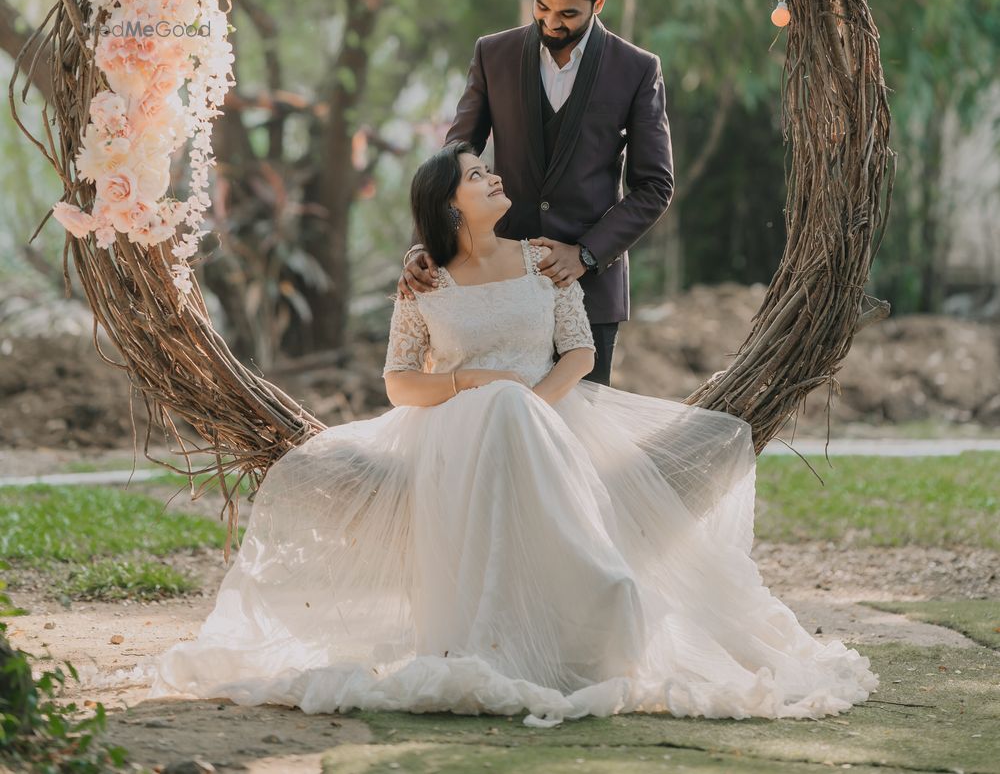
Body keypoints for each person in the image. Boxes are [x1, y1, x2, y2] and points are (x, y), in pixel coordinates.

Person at [141, 143, 877, 726]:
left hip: (549, 414)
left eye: (488, 169)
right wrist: (476, 384)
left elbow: (580, 351)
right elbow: (399, 381)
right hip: (456, 427)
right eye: (476, 174)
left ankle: (592, 600)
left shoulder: (540, 258)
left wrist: (534, 403)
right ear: (448, 203)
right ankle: (503, 625)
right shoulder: (426, 283)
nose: (493, 177)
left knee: (543, 416)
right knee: (496, 410)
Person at [400, 0, 673, 385]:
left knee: (576, 443)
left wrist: (586, 254)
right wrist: (425, 242)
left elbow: (655, 186)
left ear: (598, 3)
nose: (551, 23)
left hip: (588, 290)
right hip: (494, 286)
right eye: (542, 7)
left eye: (568, 14)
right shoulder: (493, 54)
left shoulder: (638, 69)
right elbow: (453, 159)